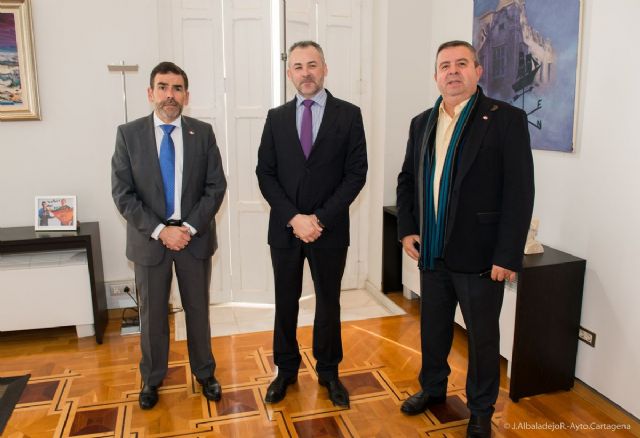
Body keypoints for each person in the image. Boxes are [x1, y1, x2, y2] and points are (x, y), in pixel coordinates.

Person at [396, 41, 534, 438]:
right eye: (445, 66)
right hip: (432, 251)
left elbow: (519, 191)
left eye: (461, 64)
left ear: (478, 71)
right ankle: (432, 389)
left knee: (482, 339)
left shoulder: (505, 119)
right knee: (433, 330)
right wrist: (407, 228)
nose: (453, 71)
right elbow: (407, 179)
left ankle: (480, 410)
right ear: (436, 75)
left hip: (481, 255)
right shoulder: (422, 122)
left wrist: (508, 254)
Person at [255, 40, 367, 408]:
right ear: (290, 73)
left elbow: (356, 174)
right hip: (285, 230)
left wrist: (318, 219)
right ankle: (285, 370)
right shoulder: (276, 118)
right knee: (285, 302)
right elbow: (265, 173)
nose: (306, 73)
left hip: (329, 230)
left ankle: (329, 372)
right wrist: (294, 218)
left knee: (329, 303)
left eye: (313, 65)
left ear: (325, 69)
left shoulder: (349, 115)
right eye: (299, 66)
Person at [112, 61, 227, 410]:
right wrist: (162, 231)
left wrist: (186, 229)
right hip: (150, 241)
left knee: (198, 311)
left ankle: (205, 373)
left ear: (186, 96)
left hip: (194, 239)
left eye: (177, 88)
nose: (170, 95)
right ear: (150, 93)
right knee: (152, 317)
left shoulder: (202, 133)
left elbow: (215, 187)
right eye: (163, 87)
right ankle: (151, 379)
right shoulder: (128, 134)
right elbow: (123, 193)